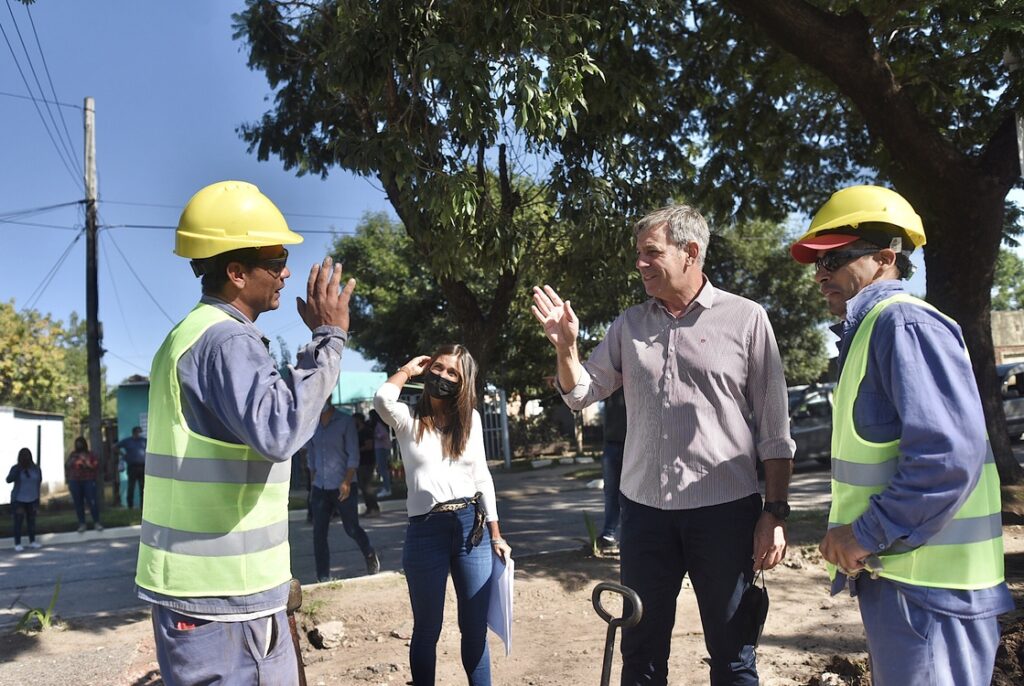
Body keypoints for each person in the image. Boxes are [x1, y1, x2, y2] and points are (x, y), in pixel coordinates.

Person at [531, 204, 795, 686]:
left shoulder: (747, 319)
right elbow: (580, 392)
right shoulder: (629, 325)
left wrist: (774, 513)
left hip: (725, 512)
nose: (640, 264)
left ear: (691, 252)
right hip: (645, 515)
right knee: (642, 652)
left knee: (733, 655)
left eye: (651, 252)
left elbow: (775, 429)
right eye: (638, 254)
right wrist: (565, 348)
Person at [134, 180, 356, 686]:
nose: (286, 271)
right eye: (275, 257)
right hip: (226, 603)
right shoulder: (227, 340)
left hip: (198, 596)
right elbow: (280, 431)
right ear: (236, 272)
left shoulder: (189, 335)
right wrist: (328, 341)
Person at [789, 184, 1012, 685]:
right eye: (815, 263)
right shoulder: (874, 330)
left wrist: (864, 534)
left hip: (931, 589)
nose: (821, 273)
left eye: (836, 257)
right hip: (909, 581)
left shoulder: (902, 324)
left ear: (886, 258)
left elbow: (946, 456)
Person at [374, 344, 512, 686]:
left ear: (463, 383)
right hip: (425, 532)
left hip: (472, 529)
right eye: (438, 369)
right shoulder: (407, 419)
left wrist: (496, 533)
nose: (443, 377)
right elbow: (382, 399)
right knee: (427, 628)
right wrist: (407, 370)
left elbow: (482, 477)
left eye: (453, 373)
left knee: (474, 627)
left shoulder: (471, 421)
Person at [306, 403, 380, 581]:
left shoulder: (345, 421)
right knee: (319, 534)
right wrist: (312, 484)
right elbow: (311, 455)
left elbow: (353, 454)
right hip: (320, 486)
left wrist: (347, 481)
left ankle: (369, 553)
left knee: (351, 528)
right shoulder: (310, 423)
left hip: (343, 485)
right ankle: (323, 577)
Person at [598, 387, 626, 551]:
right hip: (611, 443)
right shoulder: (610, 379)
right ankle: (608, 533)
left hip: (634, 444)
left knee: (633, 493)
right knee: (611, 491)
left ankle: (630, 535)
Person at [7, 448, 42, 551]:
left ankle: (32, 541)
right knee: (18, 521)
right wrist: (17, 471)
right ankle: (17, 543)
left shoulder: (36, 469)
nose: (25, 458)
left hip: (33, 498)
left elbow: (38, 483)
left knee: (31, 521)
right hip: (19, 499)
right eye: (23, 456)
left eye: (27, 455)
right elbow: (8, 480)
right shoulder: (16, 468)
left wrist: (38, 500)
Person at [66, 436, 102, 533]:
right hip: (75, 481)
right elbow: (68, 465)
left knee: (92, 502)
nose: (79, 445)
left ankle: (97, 522)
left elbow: (95, 466)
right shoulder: (73, 455)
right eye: (77, 443)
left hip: (88, 480)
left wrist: (85, 461)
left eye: (80, 443)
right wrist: (74, 460)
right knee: (78, 504)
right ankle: (82, 524)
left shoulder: (90, 454)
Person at [354, 412, 381, 517]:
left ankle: (374, 507)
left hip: (367, 461)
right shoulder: (357, 431)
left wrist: (357, 450)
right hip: (360, 461)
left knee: (366, 486)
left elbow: (369, 446)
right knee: (362, 485)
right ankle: (369, 508)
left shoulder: (366, 431)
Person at [116, 426, 147, 509]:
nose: (139, 434)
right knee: (131, 487)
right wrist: (123, 455)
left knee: (143, 487)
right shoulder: (127, 441)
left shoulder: (143, 441)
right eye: (138, 432)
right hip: (132, 466)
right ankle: (130, 506)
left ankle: (143, 507)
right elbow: (115, 447)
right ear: (134, 432)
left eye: (140, 432)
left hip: (142, 466)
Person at [370, 409, 393, 498]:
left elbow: (383, 435)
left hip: (382, 447)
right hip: (380, 447)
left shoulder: (378, 425)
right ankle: (385, 486)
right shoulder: (379, 424)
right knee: (382, 469)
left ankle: (387, 489)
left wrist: (375, 436)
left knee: (383, 469)